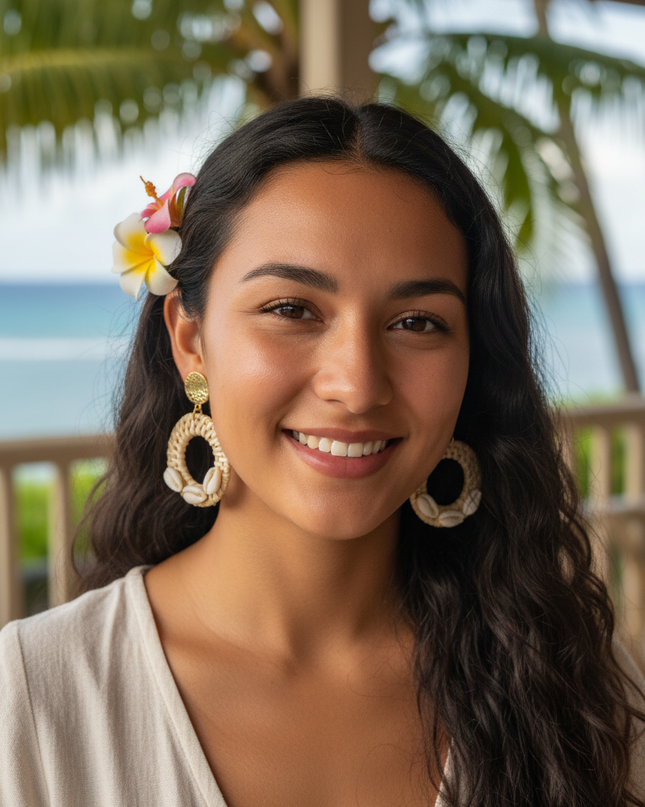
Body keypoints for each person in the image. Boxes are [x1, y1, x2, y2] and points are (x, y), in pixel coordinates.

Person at [1, 96, 644, 807]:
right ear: (191, 340)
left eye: (416, 322)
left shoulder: (575, 686)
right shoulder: (31, 700)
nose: (357, 384)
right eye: (291, 310)